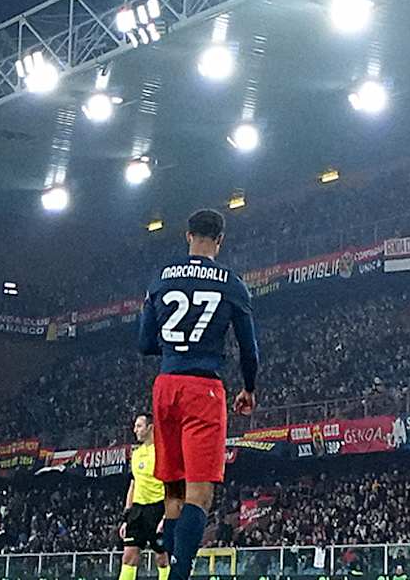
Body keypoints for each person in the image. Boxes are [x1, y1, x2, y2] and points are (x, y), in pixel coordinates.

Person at [137, 208, 258, 580]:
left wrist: (175, 349)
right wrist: (249, 388)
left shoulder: (160, 278)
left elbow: (144, 344)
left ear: (188, 236)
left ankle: (170, 573)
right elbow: (249, 350)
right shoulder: (231, 284)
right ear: (220, 240)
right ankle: (179, 576)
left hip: (165, 386)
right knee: (200, 494)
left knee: (173, 492)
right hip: (203, 388)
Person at [118, 413, 170, 580]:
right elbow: (133, 485)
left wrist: (167, 517)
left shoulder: (163, 452)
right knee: (129, 556)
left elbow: (172, 486)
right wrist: (126, 517)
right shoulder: (136, 454)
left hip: (158, 508)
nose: (135, 430)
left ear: (150, 428)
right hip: (138, 510)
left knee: (162, 558)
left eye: (139, 426)